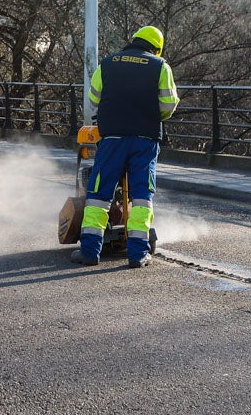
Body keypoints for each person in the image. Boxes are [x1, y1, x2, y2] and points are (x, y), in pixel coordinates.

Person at [72, 25, 179, 269]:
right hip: (145, 139)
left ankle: (89, 252)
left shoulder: (108, 63)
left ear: (134, 41)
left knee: (99, 195)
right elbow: (169, 105)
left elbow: (93, 99)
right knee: (142, 196)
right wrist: (150, 115)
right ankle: (138, 255)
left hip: (112, 139)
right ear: (156, 47)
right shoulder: (160, 66)